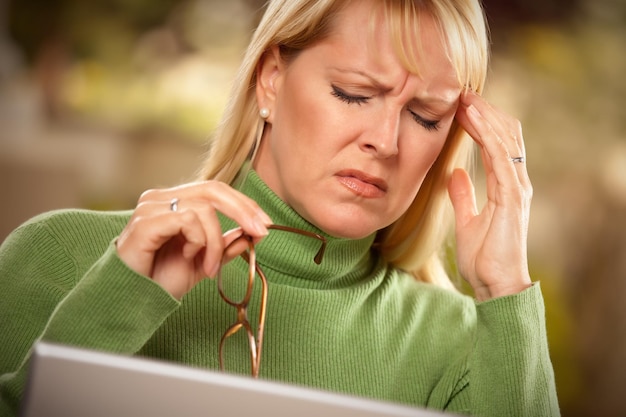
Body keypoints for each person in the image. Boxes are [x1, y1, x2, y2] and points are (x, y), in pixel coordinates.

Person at [0, 0, 560, 415]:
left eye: (425, 117)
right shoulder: (59, 257)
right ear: (271, 80)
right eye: (353, 93)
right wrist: (114, 306)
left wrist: (504, 289)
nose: (386, 142)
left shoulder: (464, 346)